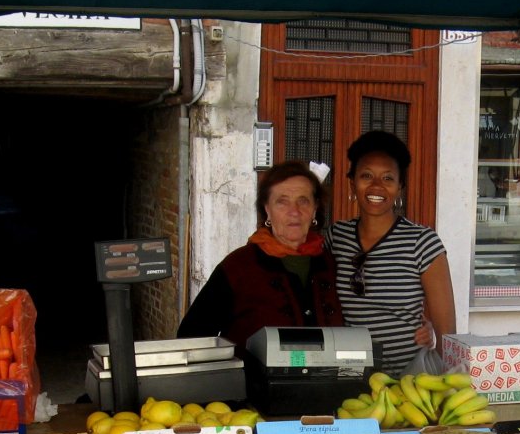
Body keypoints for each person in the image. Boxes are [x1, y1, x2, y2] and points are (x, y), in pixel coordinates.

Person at [177, 160, 343, 350]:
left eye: (303, 200)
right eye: (282, 202)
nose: (294, 212)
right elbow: (191, 337)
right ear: (267, 209)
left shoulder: (330, 264)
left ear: (314, 209)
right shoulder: (238, 268)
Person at [329, 131, 455, 375]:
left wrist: (441, 386)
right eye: (366, 175)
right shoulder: (336, 238)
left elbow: (447, 332)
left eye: (388, 178)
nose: (376, 186)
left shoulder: (422, 242)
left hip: (408, 382)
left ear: (399, 188)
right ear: (352, 182)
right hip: (348, 377)